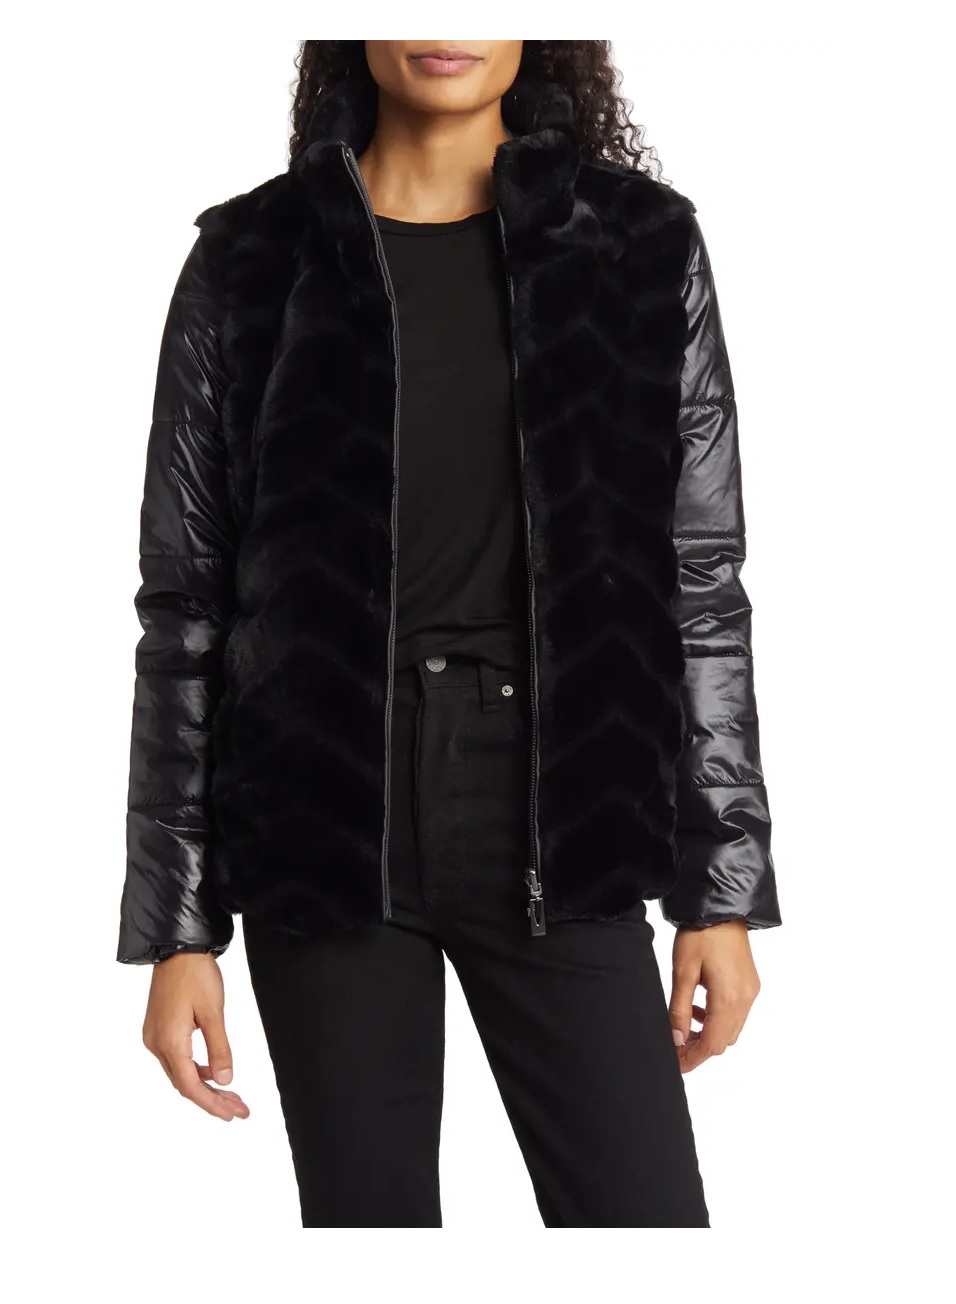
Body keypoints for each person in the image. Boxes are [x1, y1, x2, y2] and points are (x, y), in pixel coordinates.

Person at [117, 39, 781, 1228]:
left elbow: (697, 582)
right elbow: (186, 603)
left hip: (560, 806)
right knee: (369, 1238)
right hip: (322, 817)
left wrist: (718, 890)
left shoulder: (636, 246)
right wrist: (177, 929)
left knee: (643, 1230)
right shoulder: (251, 257)